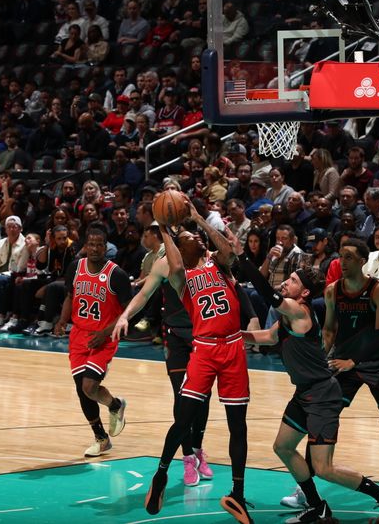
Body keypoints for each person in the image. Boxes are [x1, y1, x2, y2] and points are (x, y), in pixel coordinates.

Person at [237, 242, 379, 524]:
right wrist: (235, 336)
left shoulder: (300, 313)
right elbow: (270, 337)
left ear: (305, 292)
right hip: (305, 393)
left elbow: (268, 295)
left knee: (323, 467)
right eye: (288, 278)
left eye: (293, 281)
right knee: (283, 447)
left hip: (322, 394)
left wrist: (242, 258)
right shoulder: (287, 318)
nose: (286, 282)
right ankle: (317, 506)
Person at [144, 198, 253, 524]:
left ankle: (238, 493)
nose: (201, 242)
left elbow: (231, 249)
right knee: (184, 418)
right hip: (204, 350)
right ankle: (161, 475)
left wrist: (199, 219)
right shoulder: (181, 278)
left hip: (233, 347)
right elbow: (175, 266)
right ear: (182, 249)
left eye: (201, 240)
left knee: (238, 425)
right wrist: (164, 228)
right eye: (193, 240)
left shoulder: (218, 264)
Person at [112, 251, 215, 487]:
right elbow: (145, 294)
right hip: (176, 335)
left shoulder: (208, 259)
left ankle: (198, 449)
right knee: (183, 397)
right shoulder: (164, 263)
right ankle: (188, 456)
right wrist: (125, 315)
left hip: (202, 335)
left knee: (204, 397)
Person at [325, 238, 379, 478]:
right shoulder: (333, 290)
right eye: (341, 256)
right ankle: (310, 481)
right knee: (324, 421)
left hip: (378, 364)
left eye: (349, 257)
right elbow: (329, 331)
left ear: (363, 262)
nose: (342, 262)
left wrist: (354, 360)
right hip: (344, 365)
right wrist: (320, 359)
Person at [54, 225, 131, 457]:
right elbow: (70, 296)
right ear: (85, 246)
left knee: (89, 386)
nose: (95, 249)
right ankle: (103, 434)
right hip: (79, 334)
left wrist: (106, 333)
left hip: (104, 337)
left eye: (100, 245)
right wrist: (62, 321)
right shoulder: (75, 267)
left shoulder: (116, 274)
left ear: (106, 247)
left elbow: (129, 311)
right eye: (91, 244)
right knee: (82, 390)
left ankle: (113, 408)